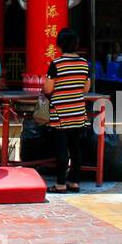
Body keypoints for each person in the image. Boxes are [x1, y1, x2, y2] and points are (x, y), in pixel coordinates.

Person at [44, 27, 91, 193]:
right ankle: (74, 181)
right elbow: (86, 88)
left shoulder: (56, 64)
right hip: (78, 110)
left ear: (60, 45)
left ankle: (61, 183)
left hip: (60, 111)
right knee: (76, 148)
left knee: (61, 149)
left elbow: (48, 89)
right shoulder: (84, 63)